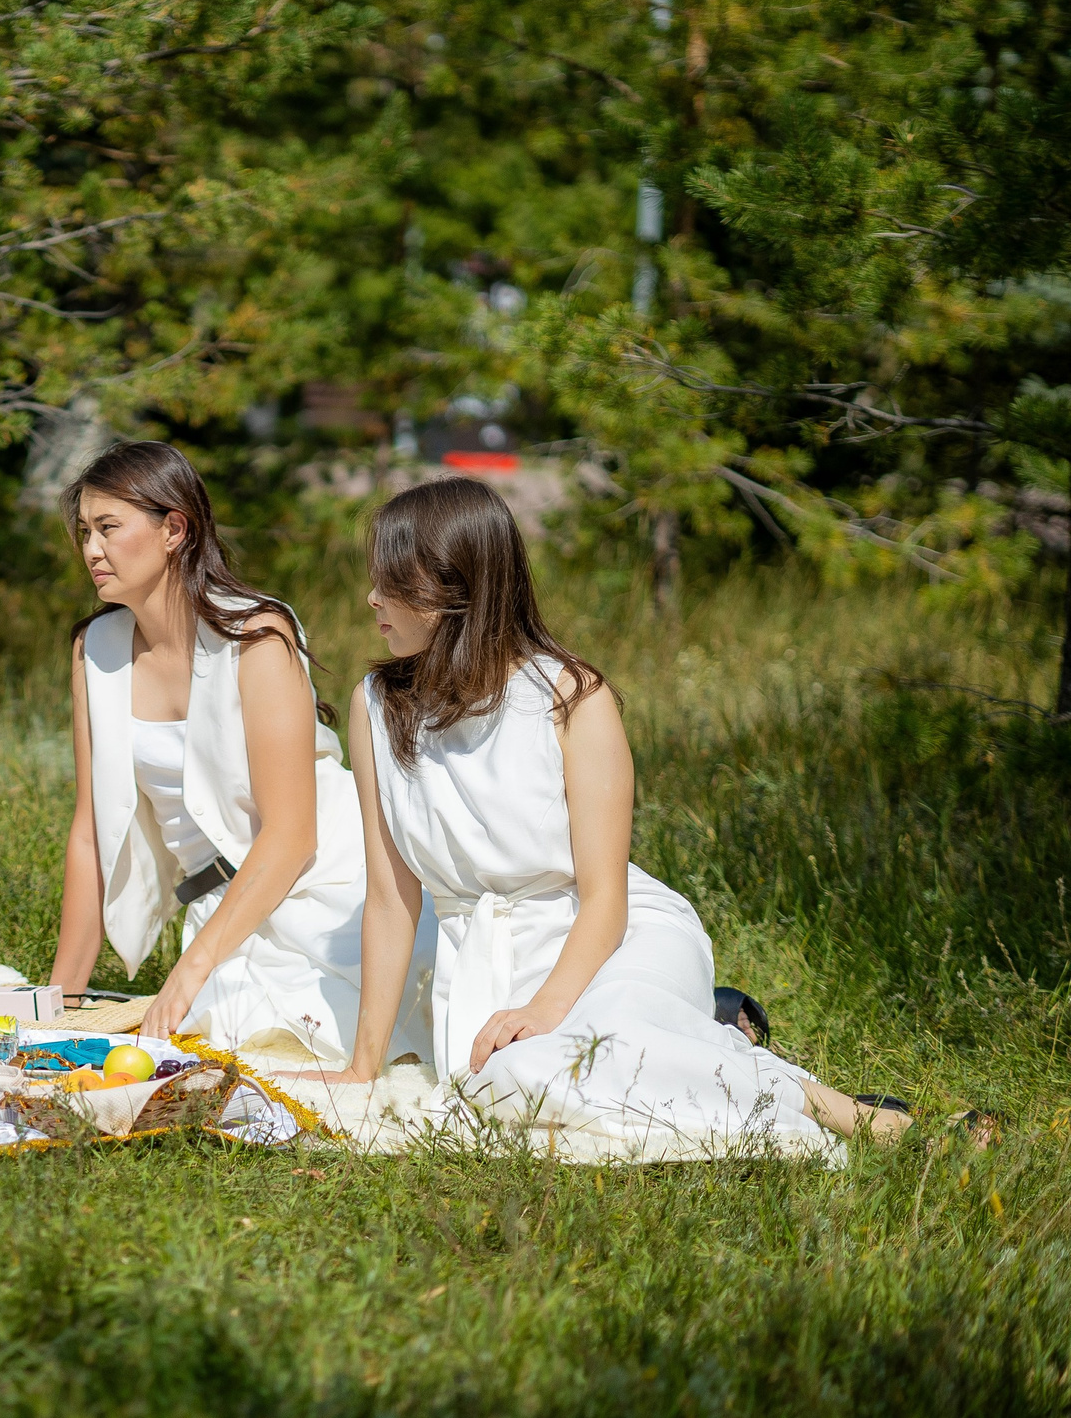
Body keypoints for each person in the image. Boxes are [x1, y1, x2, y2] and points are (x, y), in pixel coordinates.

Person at [313, 475, 926, 1153]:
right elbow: (391, 899)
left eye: (394, 582)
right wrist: (360, 1068)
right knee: (516, 1087)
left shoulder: (573, 696)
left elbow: (605, 896)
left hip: (610, 937)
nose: (372, 598)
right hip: (489, 961)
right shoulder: (377, 706)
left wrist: (545, 1010)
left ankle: (857, 1114)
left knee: (595, 1058)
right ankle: (710, 1028)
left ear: (457, 588)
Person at [43, 442, 431, 1068]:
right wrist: (59, 1001)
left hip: (327, 883)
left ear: (174, 528)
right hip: (217, 908)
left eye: (109, 528)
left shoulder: (256, 633)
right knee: (211, 1047)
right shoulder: (96, 648)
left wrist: (192, 969)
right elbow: (91, 833)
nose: (91, 549)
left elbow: (292, 835)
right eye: (84, 531)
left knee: (296, 1052)